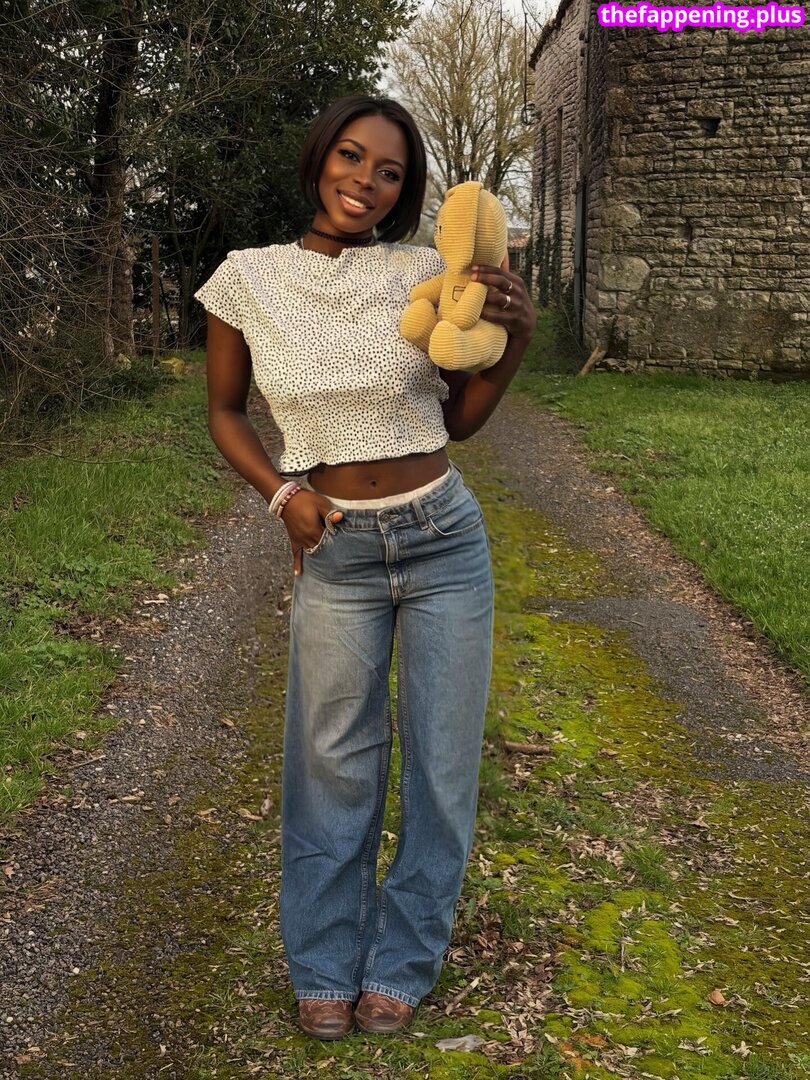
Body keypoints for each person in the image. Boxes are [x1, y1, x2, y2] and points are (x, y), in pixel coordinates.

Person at [194, 93, 536, 1040]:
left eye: (390, 172)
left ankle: (402, 961)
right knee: (332, 765)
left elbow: (459, 418)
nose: (366, 182)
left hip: (443, 540)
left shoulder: (424, 271)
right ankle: (322, 962)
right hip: (336, 548)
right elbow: (224, 411)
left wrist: (517, 342)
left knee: (441, 765)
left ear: (404, 190)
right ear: (319, 157)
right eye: (351, 156)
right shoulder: (246, 278)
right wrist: (280, 494)